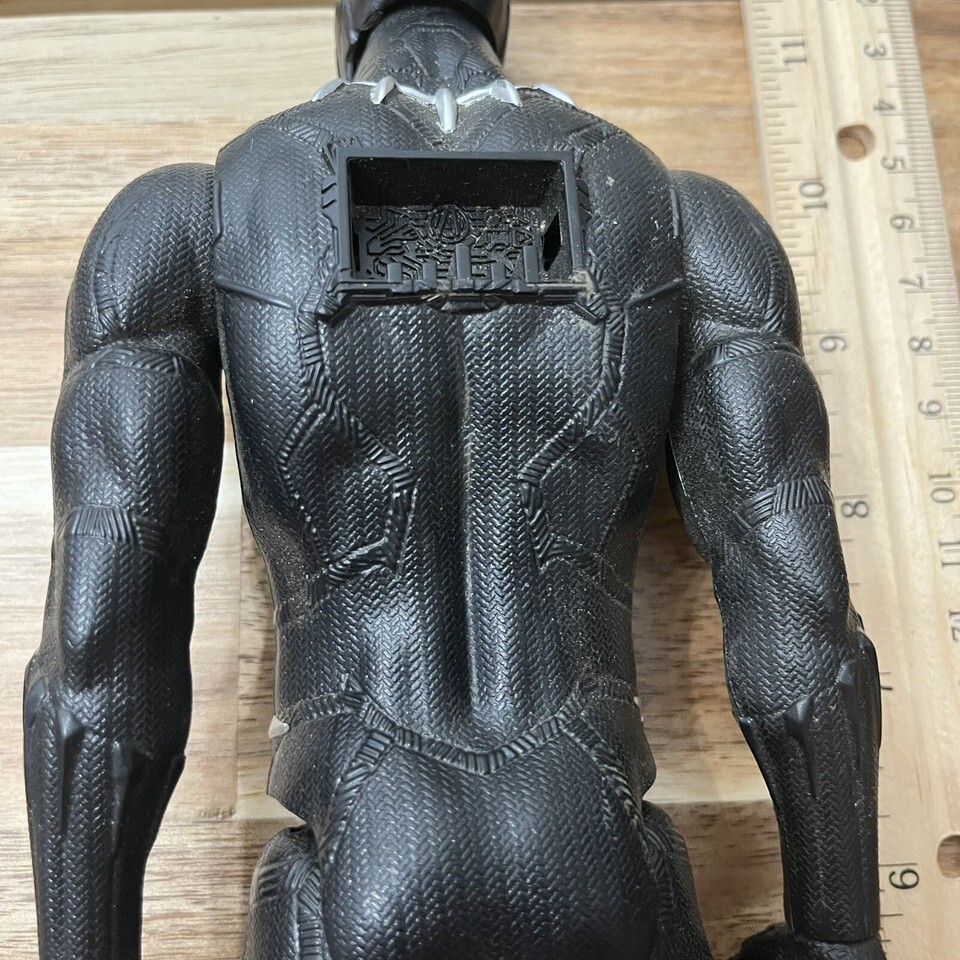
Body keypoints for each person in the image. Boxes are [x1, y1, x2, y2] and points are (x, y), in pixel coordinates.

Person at [23, 2, 884, 957]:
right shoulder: (688, 217)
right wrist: (839, 943)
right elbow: (806, 630)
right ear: (499, 11)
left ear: (350, 14)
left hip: (354, 872)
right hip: (606, 857)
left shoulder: (188, 215)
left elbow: (98, 650)